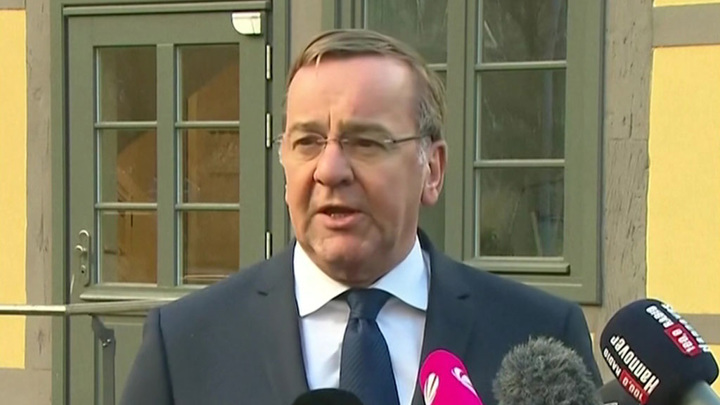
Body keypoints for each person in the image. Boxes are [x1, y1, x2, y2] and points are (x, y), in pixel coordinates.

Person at [120, 29, 601, 405]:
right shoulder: (183, 344)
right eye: (308, 142)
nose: (330, 170)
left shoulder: (538, 335)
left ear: (432, 170)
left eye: (366, 142)